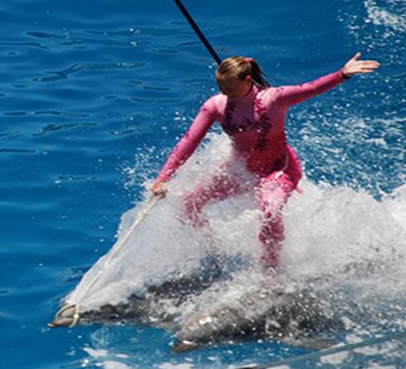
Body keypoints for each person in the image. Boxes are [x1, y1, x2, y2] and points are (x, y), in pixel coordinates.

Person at [151, 53, 380, 273]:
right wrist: (163, 178)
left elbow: (311, 88)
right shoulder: (215, 106)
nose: (224, 92)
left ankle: (271, 271)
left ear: (247, 80)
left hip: (279, 169)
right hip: (241, 170)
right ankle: (212, 254)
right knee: (189, 204)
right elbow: (188, 141)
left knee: (269, 210)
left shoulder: (275, 99)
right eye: (221, 86)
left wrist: (343, 74)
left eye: (230, 87)